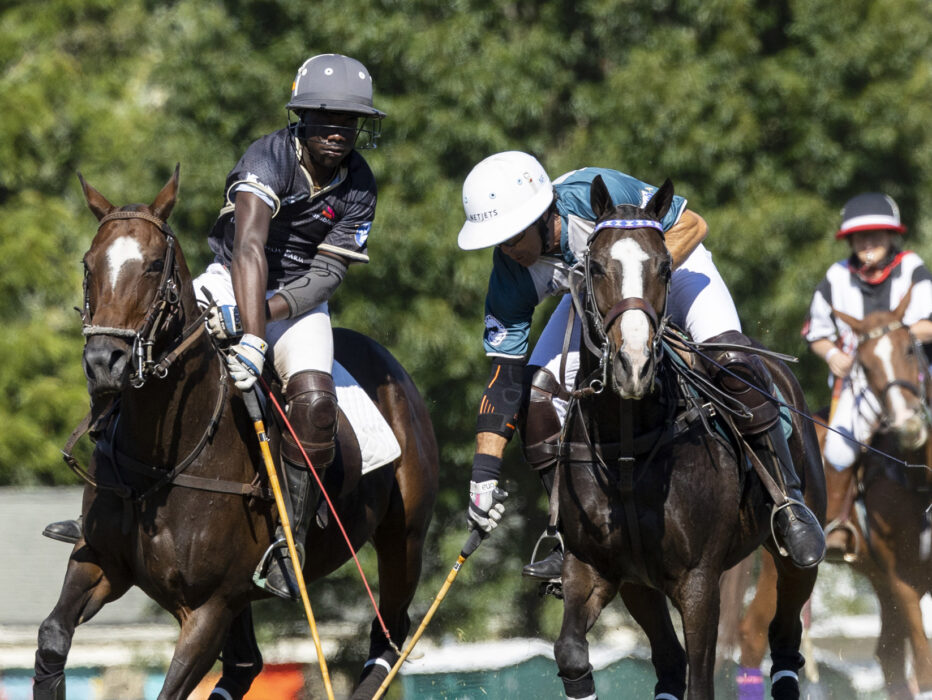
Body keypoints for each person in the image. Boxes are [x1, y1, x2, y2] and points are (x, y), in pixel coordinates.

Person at [43, 53, 386, 601]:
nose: (338, 132)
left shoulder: (360, 184)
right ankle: (104, 505)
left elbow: (327, 273)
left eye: (349, 121)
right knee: (136, 354)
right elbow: (250, 248)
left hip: (295, 306)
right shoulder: (267, 159)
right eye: (325, 118)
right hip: (230, 280)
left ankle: (288, 543)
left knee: (318, 402)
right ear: (302, 117)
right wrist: (247, 333)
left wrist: (264, 323)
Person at [457, 151, 826, 578]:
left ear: (543, 215)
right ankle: (567, 532)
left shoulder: (593, 192)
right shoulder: (509, 273)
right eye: (498, 239)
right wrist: (483, 478)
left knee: (731, 359)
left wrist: (644, 280)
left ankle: (788, 503)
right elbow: (504, 381)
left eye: (513, 236)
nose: (507, 249)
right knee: (539, 394)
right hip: (594, 296)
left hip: (673, 272)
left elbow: (694, 224)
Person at [804, 193, 932, 558]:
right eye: (860, 237)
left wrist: (895, 337)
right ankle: (838, 524)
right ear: (849, 241)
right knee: (841, 445)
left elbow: (929, 324)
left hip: (913, 373)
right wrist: (831, 355)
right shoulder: (836, 278)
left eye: (877, 234)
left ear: (893, 236)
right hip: (861, 382)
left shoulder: (912, 268)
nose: (868, 243)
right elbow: (816, 333)